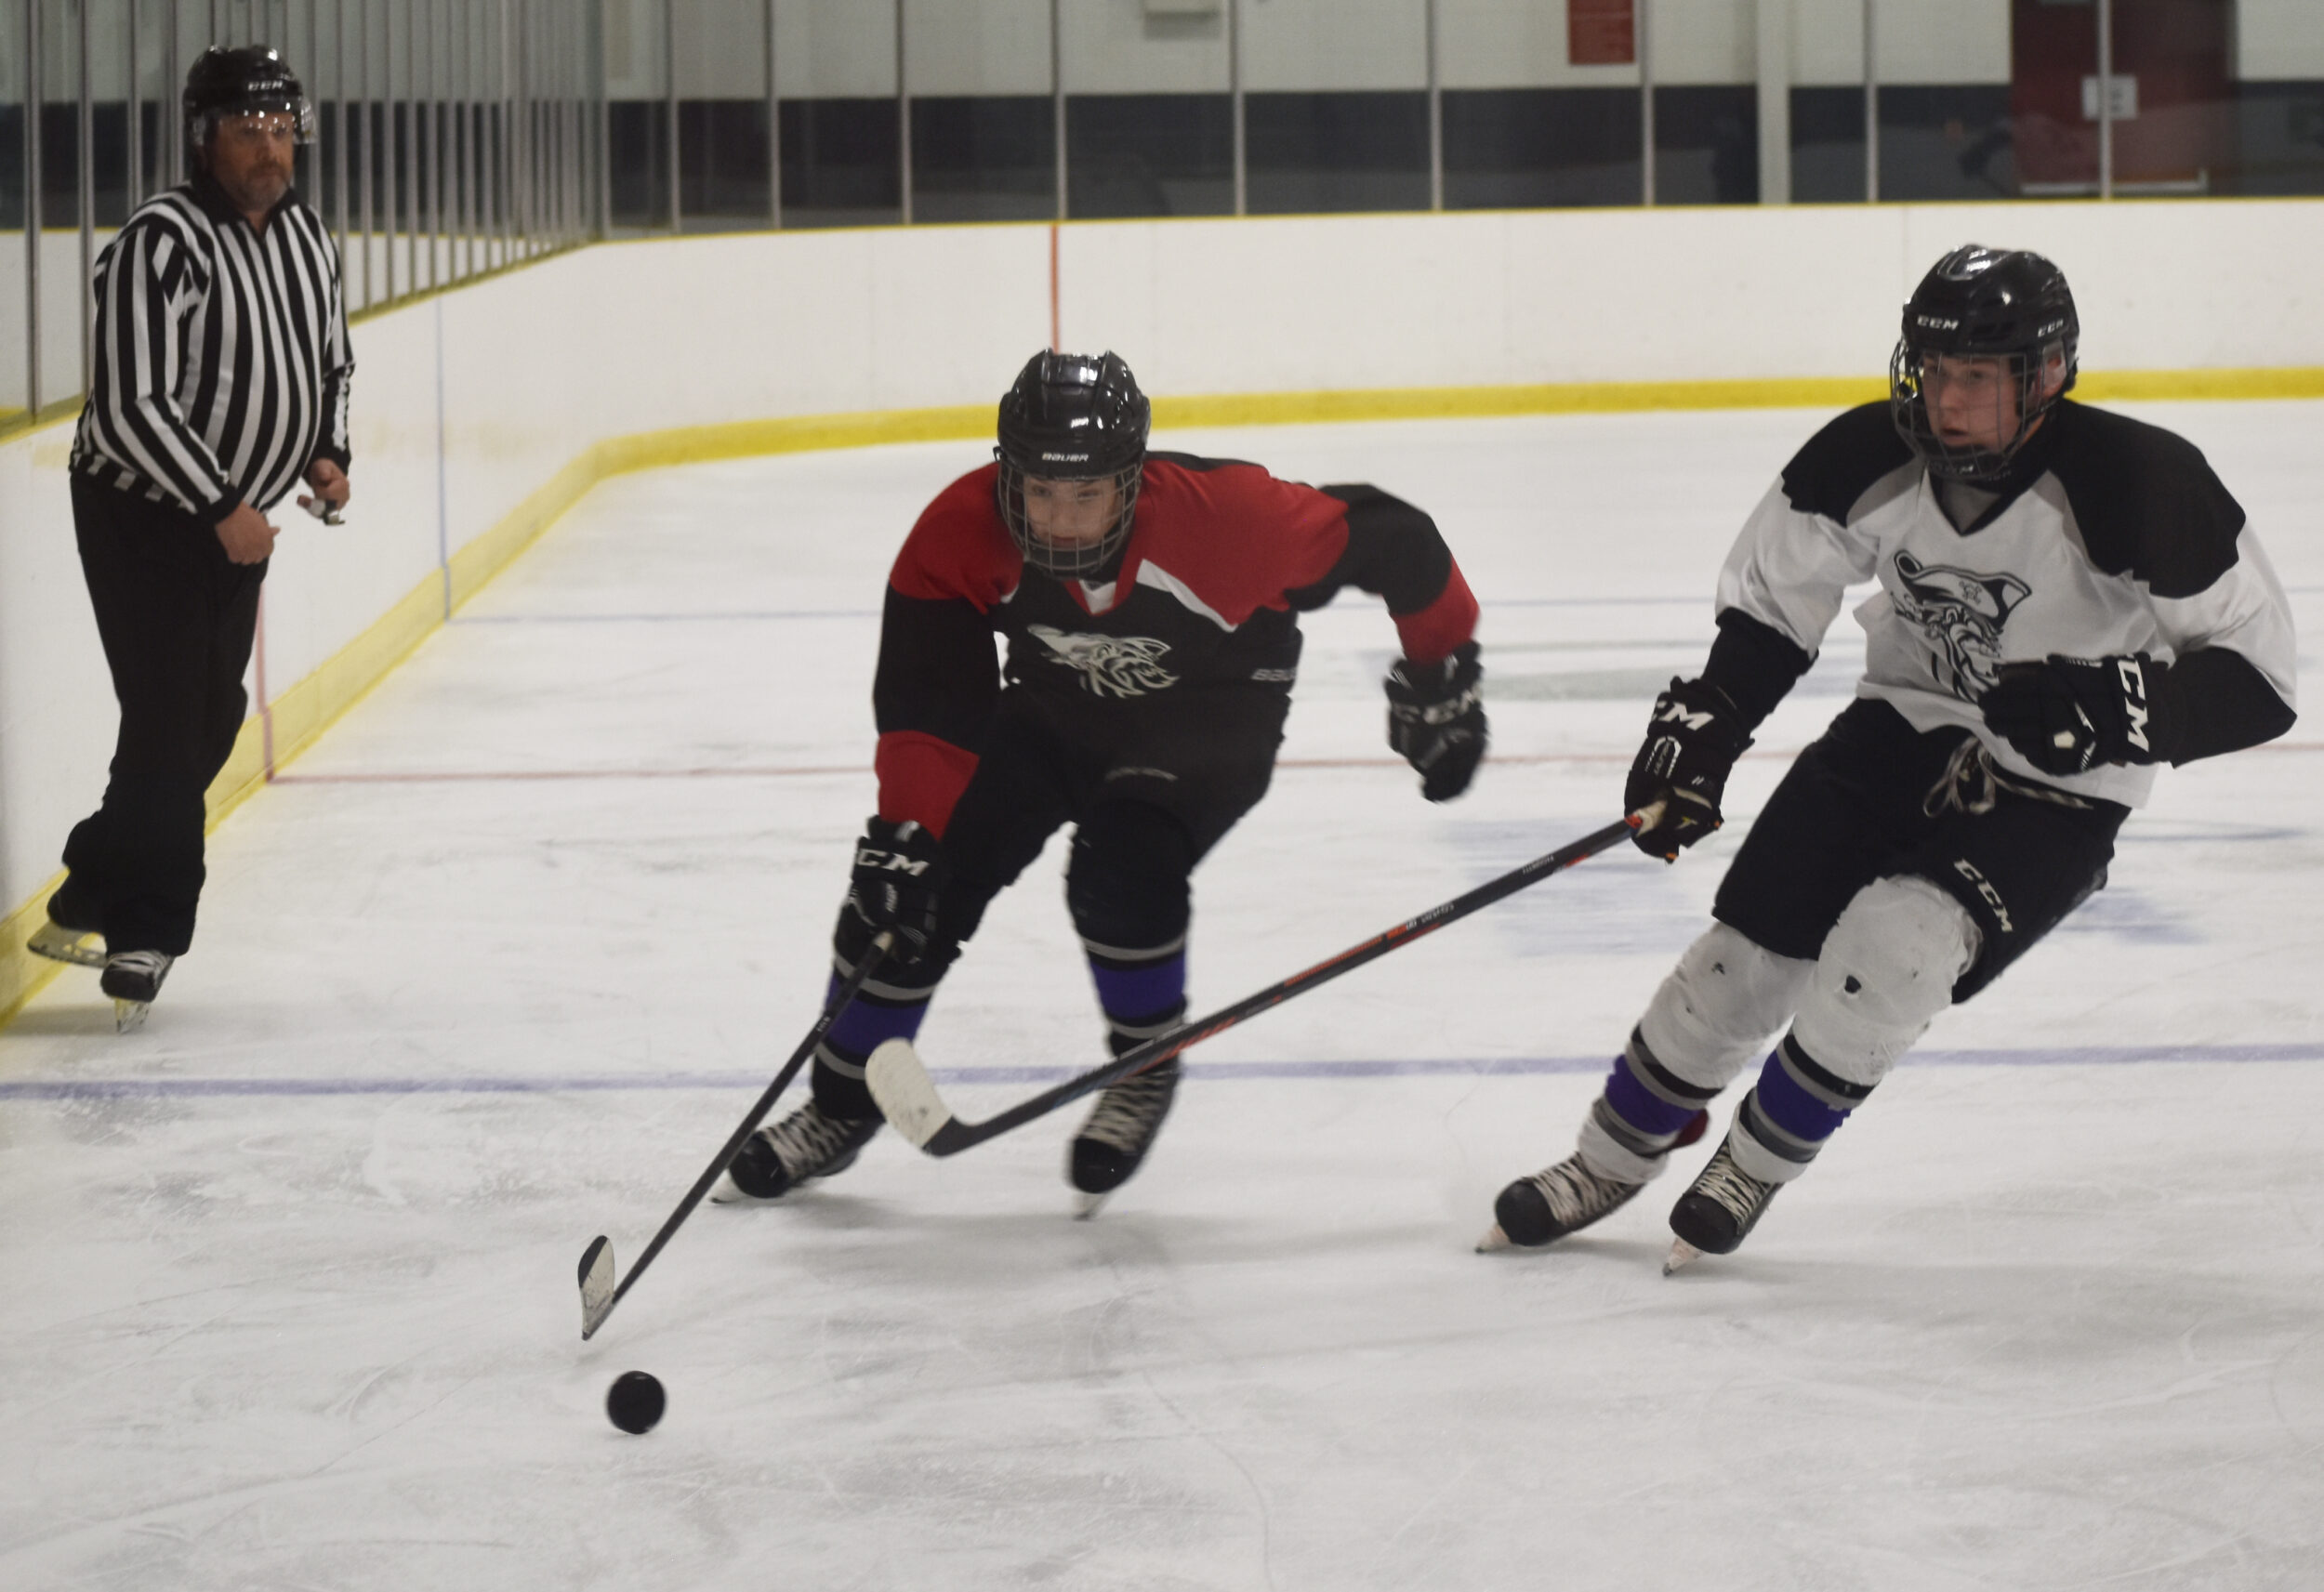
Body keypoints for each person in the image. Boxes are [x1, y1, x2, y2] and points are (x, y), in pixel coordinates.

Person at [1484, 245, 2297, 1269]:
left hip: (2059, 781)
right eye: (1929, 370)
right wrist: (1709, 726)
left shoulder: (2142, 482)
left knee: (1895, 949)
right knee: (1740, 964)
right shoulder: (1865, 456)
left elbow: (2258, 682)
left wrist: (2117, 710)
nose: (1941, 402)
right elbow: (1776, 606)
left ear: (2045, 377)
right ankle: (1608, 1156)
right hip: (1896, 729)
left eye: (1972, 380)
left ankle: (1753, 1163)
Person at [717, 349, 1487, 1213]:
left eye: (1087, 494)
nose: (1060, 520)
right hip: (1053, 714)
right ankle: (841, 1103)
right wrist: (906, 836)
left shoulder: (1233, 520)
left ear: (1133, 479)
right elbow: (931, 706)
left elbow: (1397, 539)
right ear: (1007, 475)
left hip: (1211, 722)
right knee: (906, 891)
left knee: (1121, 872)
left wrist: (1442, 680)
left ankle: (1143, 1063)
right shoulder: (959, 530)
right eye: (1039, 490)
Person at [27, 46, 354, 1031]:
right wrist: (222, 503)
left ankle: (95, 875)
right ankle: (146, 929)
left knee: (210, 713)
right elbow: (131, 406)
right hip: (145, 515)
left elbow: (329, 359)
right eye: (247, 129)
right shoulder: (159, 242)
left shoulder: (304, 236)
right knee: (174, 712)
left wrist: (325, 452)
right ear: (204, 138)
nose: (268, 146)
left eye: (279, 127)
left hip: (236, 524)